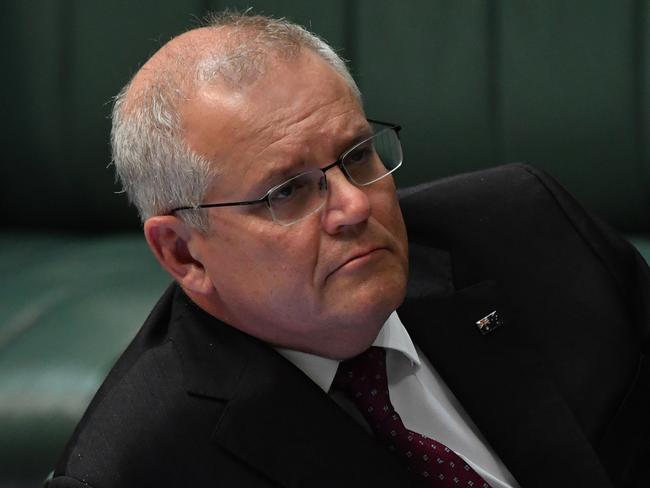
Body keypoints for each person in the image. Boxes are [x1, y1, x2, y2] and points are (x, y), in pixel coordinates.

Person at [49, 12, 649, 488]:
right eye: (287, 191)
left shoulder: (532, 227)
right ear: (184, 254)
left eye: (358, 156)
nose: (355, 207)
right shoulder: (136, 469)